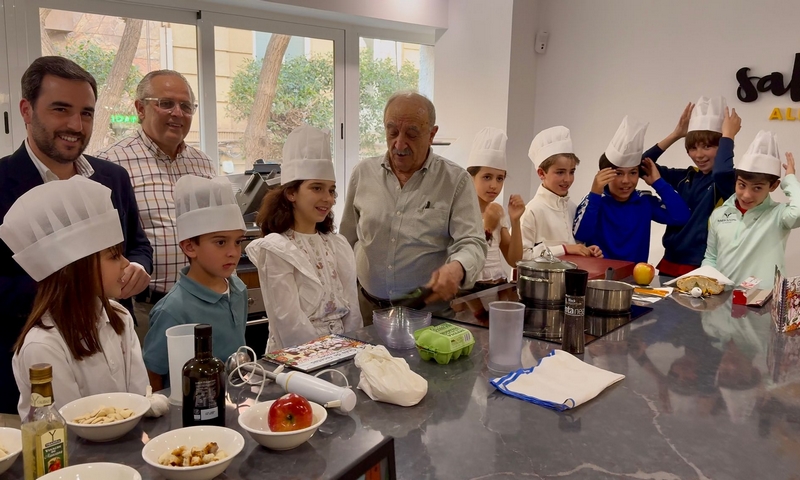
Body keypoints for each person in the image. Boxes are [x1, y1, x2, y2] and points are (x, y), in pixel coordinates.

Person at [0, 56, 152, 415]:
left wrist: (136, 269)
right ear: (26, 110)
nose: (75, 124)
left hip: (110, 351)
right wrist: (76, 284)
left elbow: (137, 245)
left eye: (86, 113)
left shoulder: (112, 178)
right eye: (60, 109)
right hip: (26, 377)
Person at [1, 177, 148, 418]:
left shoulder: (120, 317)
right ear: (75, 270)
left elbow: (139, 400)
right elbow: (66, 427)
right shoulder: (43, 345)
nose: (125, 264)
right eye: (113, 257)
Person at [340, 91, 487, 319]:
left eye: (411, 134)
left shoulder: (455, 181)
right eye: (392, 132)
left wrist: (457, 267)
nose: (399, 143)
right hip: (367, 310)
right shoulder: (363, 174)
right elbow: (347, 240)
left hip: (428, 316)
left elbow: (473, 242)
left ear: (432, 134)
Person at [96, 70, 216, 328]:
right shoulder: (111, 165)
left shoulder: (203, 163)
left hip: (204, 302)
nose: (177, 113)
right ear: (140, 108)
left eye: (186, 106)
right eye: (166, 104)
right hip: (145, 308)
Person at [246, 125, 362, 352]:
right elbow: (288, 322)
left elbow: (352, 309)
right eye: (316, 188)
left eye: (331, 190)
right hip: (298, 358)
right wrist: (324, 355)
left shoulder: (336, 245)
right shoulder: (277, 249)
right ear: (291, 193)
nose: (327, 198)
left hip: (342, 350)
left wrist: (350, 348)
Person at [142, 175, 248, 390]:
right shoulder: (173, 310)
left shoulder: (238, 290)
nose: (233, 252)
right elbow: (153, 372)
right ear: (190, 247)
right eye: (220, 242)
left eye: (237, 242)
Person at [573, 116, 691, 264]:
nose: (626, 181)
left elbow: (681, 217)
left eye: (633, 173)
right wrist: (595, 194)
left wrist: (658, 183)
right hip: (598, 279)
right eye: (618, 173)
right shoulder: (595, 200)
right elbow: (581, 235)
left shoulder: (644, 201)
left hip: (635, 279)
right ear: (604, 174)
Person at [652, 98, 741, 277]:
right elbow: (640, 165)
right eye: (693, 148)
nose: (699, 155)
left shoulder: (728, 181)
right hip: (670, 261)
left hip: (704, 264)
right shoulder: (686, 176)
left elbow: (721, 172)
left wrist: (728, 136)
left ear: (721, 146)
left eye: (707, 146)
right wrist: (676, 134)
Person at [703, 132, 799, 284]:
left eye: (757, 188)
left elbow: (798, 212)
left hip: (764, 302)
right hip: (722, 299)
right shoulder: (719, 214)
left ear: (773, 186)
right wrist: (705, 283)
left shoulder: (779, 215)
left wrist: (790, 180)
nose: (746, 195)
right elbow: (711, 257)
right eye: (742, 185)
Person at [462, 127, 524, 320]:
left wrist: (516, 220)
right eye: (487, 177)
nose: (494, 185)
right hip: (469, 299)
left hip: (498, 291)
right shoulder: (460, 212)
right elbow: (465, 260)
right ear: (470, 177)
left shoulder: (498, 212)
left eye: (500, 178)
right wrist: (487, 225)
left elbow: (514, 260)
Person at [521, 126, 602, 259]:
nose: (568, 179)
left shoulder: (572, 208)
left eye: (572, 172)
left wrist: (587, 251)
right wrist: (564, 249)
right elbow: (521, 256)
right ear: (541, 173)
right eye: (560, 172)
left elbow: (574, 247)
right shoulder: (532, 211)